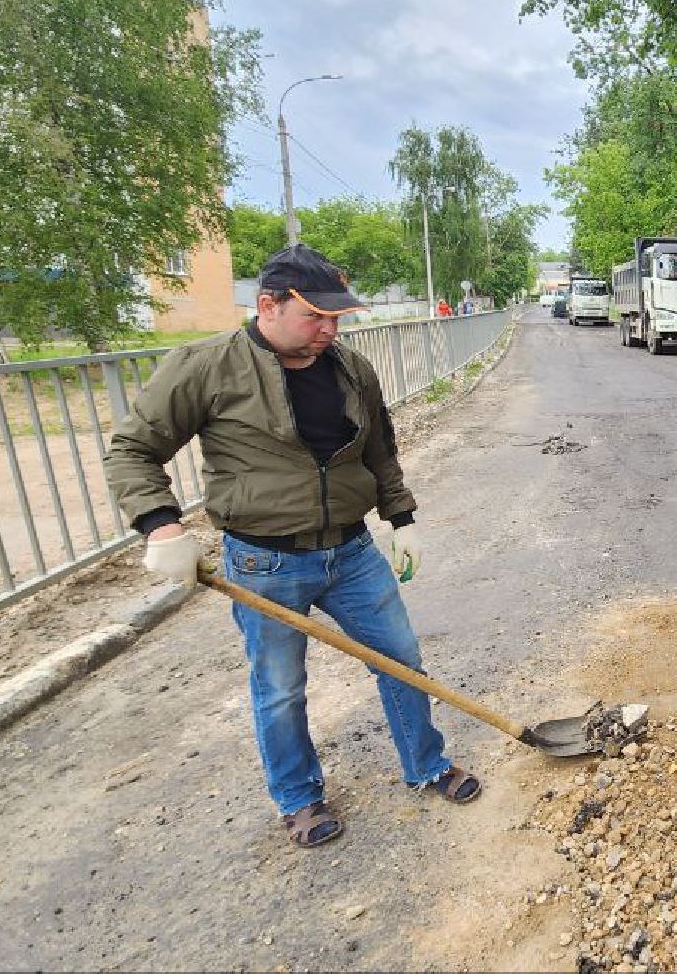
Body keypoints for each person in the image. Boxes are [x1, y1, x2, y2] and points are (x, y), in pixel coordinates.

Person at [104, 244, 480, 850]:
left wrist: (401, 515)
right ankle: (300, 798)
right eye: (316, 316)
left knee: (402, 659)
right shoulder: (204, 367)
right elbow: (132, 450)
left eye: (337, 318)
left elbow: (379, 450)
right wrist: (160, 524)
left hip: (351, 553)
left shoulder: (352, 369)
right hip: (264, 561)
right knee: (279, 687)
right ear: (268, 305)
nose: (330, 330)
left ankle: (426, 765)